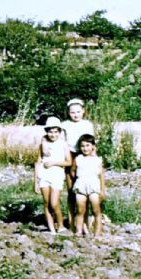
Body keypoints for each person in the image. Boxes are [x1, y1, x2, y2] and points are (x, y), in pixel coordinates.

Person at [34, 117, 71, 234]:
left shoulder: (63, 144)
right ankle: (51, 229)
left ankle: (60, 226)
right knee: (46, 202)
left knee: (54, 203)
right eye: (50, 131)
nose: (53, 134)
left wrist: (54, 163)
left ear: (60, 132)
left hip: (57, 175)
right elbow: (38, 162)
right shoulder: (43, 144)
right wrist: (35, 182)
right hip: (44, 175)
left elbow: (68, 162)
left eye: (56, 132)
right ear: (46, 132)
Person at [61, 98, 95, 230]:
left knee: (84, 191)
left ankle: (85, 223)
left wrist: (93, 159)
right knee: (71, 191)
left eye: (78, 112)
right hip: (70, 156)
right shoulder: (65, 125)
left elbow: (92, 143)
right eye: (72, 112)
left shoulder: (87, 124)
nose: (75, 115)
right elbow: (62, 144)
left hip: (84, 156)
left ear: (83, 111)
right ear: (68, 113)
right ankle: (71, 223)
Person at [70, 134, 106, 237]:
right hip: (81, 186)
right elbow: (72, 171)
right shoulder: (78, 159)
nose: (85, 148)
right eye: (82, 146)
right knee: (80, 210)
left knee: (96, 210)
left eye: (87, 145)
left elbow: (101, 176)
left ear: (93, 146)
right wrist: (78, 179)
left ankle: (97, 234)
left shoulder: (97, 160)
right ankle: (79, 231)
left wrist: (102, 190)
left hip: (93, 186)